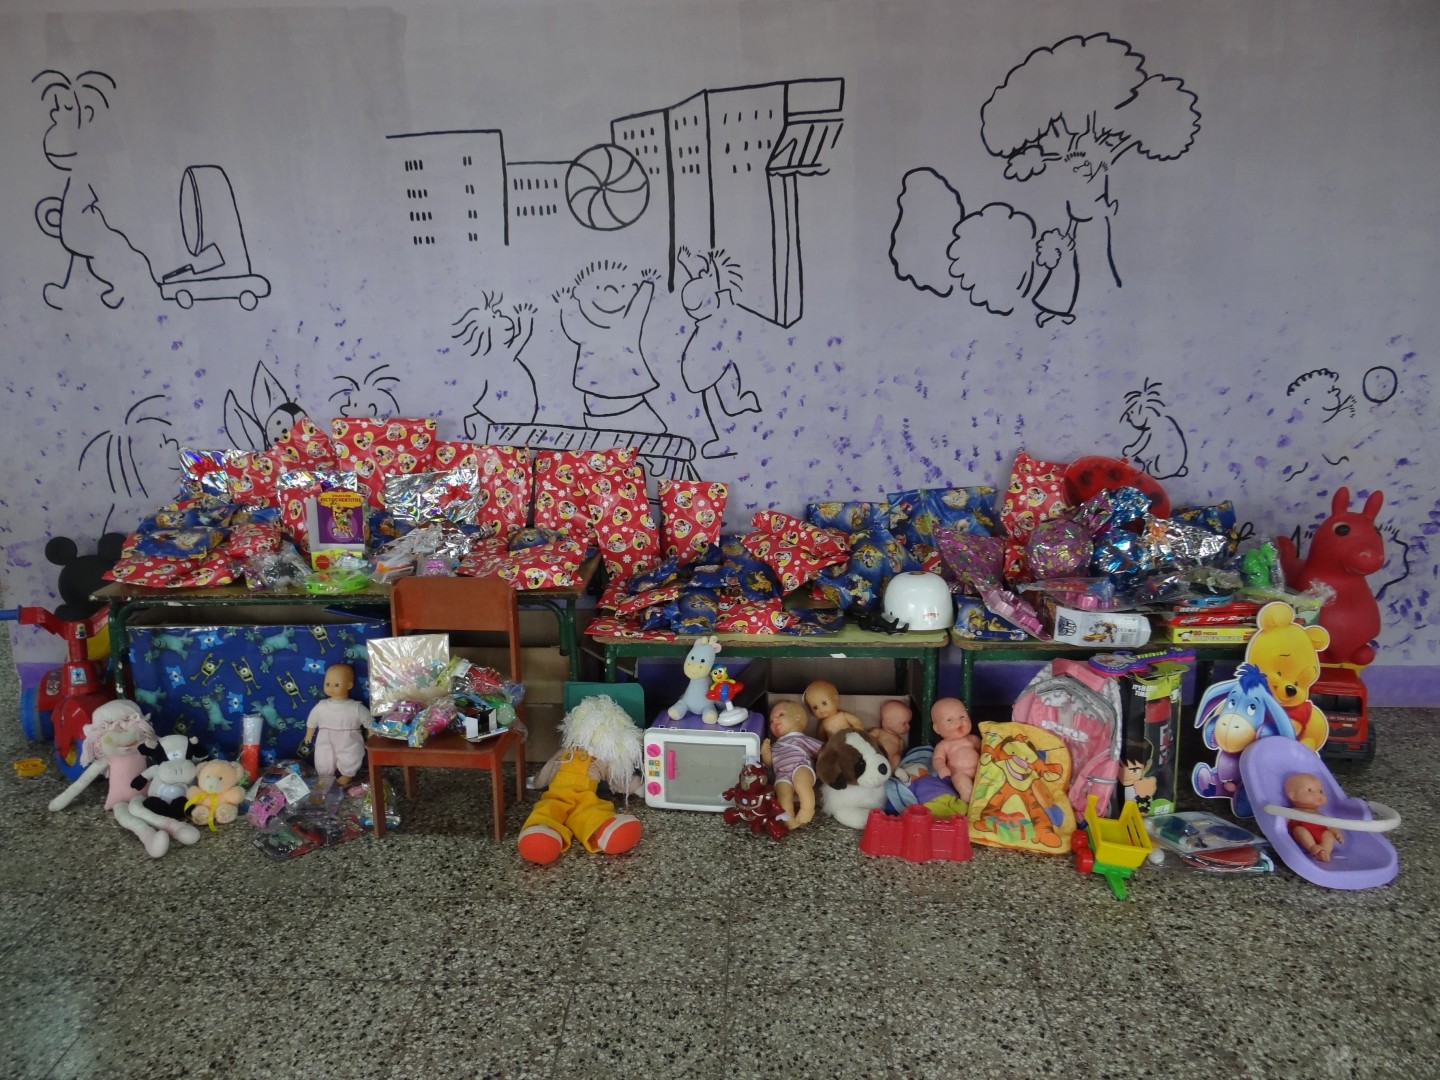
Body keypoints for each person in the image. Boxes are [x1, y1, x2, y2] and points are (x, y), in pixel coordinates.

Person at [303, 663, 372, 787]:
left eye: (336, 685)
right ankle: (324, 776)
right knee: (323, 757)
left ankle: (348, 774)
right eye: (327, 684)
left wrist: (371, 735)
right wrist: (309, 734)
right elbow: (312, 720)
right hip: (325, 738)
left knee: (351, 755)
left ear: (349, 685)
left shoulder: (356, 707)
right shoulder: (321, 706)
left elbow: (369, 722)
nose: (331, 688)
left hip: (349, 739)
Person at [761, 701, 823, 829]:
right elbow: (769, 763)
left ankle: (807, 809)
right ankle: (789, 820)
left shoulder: (801, 739)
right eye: (771, 721)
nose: (774, 720)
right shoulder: (774, 746)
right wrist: (765, 752)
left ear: (797, 718)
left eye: (780, 715)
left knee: (801, 783)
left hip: (800, 766)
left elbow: (822, 751)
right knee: (782, 795)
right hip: (782, 774)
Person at [1284, 772, 1344, 862]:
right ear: (1293, 796)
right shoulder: (1293, 811)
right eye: (1309, 790)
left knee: (1328, 835)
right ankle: (1312, 847)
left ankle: (1325, 852)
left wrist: (1336, 832)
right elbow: (1281, 822)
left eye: (1321, 791)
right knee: (1300, 831)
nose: (1319, 795)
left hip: (1320, 832)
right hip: (1303, 830)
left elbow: (1329, 824)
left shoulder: (1319, 814)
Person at [930, 697, 981, 802]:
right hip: (959, 773)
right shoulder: (944, 745)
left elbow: (985, 751)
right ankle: (966, 806)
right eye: (949, 720)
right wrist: (941, 767)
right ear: (937, 728)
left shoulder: (973, 739)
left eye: (962, 717)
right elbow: (938, 759)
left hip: (980, 770)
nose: (958, 722)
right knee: (967, 790)